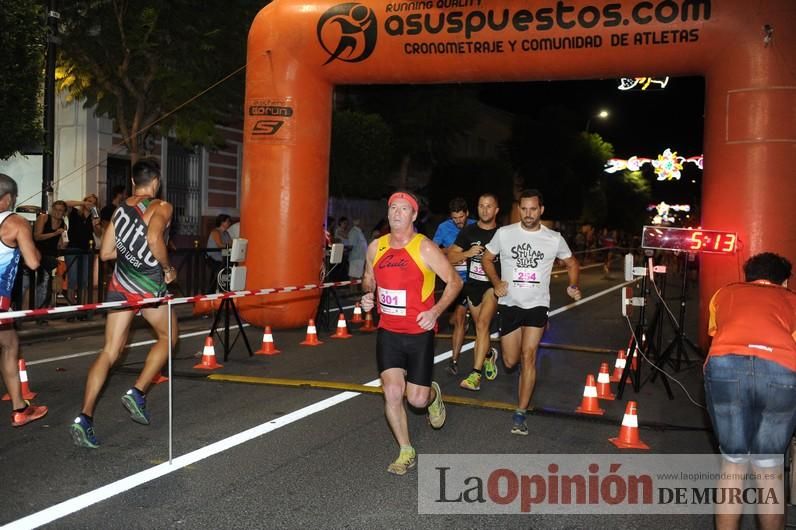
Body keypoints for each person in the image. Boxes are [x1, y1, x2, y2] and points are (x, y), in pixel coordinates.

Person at [70, 159, 178, 448]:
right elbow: (155, 238)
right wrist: (167, 269)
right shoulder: (162, 206)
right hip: (149, 287)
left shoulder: (119, 210)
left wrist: (130, 257)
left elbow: (105, 253)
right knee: (168, 337)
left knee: (110, 351)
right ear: (156, 181)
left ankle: (84, 417)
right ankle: (138, 391)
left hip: (120, 286)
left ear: (133, 182)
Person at [360, 191, 462, 475]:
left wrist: (435, 312)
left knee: (416, 400)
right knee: (392, 393)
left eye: (404, 208)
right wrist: (368, 295)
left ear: (414, 215)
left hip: (419, 333)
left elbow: (454, 282)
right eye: (393, 207)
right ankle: (406, 450)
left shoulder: (425, 248)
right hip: (389, 332)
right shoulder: (375, 247)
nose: (396, 213)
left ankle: (433, 395)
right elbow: (369, 280)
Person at [703, 252, 795, 530]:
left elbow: (714, 332)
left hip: (725, 365)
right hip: (781, 369)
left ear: (748, 276)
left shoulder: (724, 293)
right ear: (785, 280)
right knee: (768, 468)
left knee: (733, 463)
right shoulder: (792, 299)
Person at [482, 189, 581, 435]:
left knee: (528, 356)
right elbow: (486, 259)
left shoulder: (553, 238)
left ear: (541, 210)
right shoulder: (504, 234)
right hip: (510, 304)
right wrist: (496, 283)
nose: (528, 214)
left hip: (537, 305)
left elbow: (572, 263)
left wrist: (573, 284)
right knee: (510, 360)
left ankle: (520, 413)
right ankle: (495, 355)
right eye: (523, 209)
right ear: (519, 209)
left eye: (533, 209)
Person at [0, 174, 49, 427]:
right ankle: (19, 408)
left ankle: (20, 407)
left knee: (10, 344)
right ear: (9, 198)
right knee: (9, 348)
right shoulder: (15, 222)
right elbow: (33, 262)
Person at [446, 193, 501, 391]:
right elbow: (450, 257)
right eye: (481, 206)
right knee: (480, 328)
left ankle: (475, 375)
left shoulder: (503, 233)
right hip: (473, 286)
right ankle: (488, 355)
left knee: (483, 325)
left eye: (489, 206)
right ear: (476, 208)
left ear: (496, 210)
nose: (485, 210)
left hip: (491, 287)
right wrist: (467, 253)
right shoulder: (469, 232)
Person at [432, 197, 474, 375]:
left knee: (459, 318)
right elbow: (432, 249)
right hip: (453, 278)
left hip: (472, 279)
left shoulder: (475, 226)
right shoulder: (443, 227)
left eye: (461, 217)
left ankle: (454, 360)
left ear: (467, 214)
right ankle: (486, 352)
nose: (458, 221)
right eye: (455, 218)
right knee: (455, 319)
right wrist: (451, 251)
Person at [64, 195, 102, 303]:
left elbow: (98, 234)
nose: (90, 204)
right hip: (73, 248)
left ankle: (83, 304)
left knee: (85, 279)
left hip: (87, 249)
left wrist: (96, 225)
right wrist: (82, 203)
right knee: (73, 278)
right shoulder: (75, 213)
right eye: (89, 201)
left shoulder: (94, 217)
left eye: (93, 203)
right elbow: (65, 203)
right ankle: (71, 304)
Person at [33, 200, 67, 310]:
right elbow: (37, 236)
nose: (57, 212)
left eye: (60, 210)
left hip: (51, 257)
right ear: (52, 209)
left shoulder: (63, 224)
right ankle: (38, 310)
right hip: (37, 254)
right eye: (56, 209)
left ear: (64, 213)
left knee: (46, 284)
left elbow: (60, 246)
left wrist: (63, 240)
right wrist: (54, 233)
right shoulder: (43, 218)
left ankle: (42, 310)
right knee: (40, 283)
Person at [206, 213, 233, 293]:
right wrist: (230, 245)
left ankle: (223, 291)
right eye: (227, 221)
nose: (229, 223)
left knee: (225, 273)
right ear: (222, 222)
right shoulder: (215, 232)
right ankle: (211, 293)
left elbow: (231, 243)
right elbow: (219, 244)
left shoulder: (226, 233)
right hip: (212, 258)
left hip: (222, 258)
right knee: (216, 274)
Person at [344, 218, 367, 292]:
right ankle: (352, 294)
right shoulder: (354, 232)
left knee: (358, 276)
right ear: (358, 223)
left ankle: (355, 293)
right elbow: (351, 245)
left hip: (360, 257)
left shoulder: (359, 232)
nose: (364, 224)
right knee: (354, 277)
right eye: (363, 222)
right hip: (356, 257)